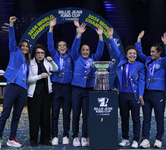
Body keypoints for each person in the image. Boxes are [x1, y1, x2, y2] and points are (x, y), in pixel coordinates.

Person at [108, 28, 145, 148]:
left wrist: (140, 94)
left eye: (134, 53)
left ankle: (136, 139)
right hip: (122, 94)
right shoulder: (122, 60)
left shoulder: (140, 65)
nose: (132, 55)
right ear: (127, 54)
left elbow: (142, 81)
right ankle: (125, 138)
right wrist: (110, 38)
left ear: (136, 55)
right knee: (124, 117)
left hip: (134, 95)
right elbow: (115, 50)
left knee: (136, 118)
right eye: (130, 53)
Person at [135, 31, 166, 148]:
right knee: (146, 118)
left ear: (159, 52)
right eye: (150, 51)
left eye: (153, 52)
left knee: (159, 118)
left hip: (158, 93)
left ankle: (158, 139)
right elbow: (139, 53)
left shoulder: (164, 61)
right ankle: (145, 139)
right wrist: (138, 40)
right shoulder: (147, 60)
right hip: (147, 93)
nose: (150, 53)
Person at [71, 18, 104, 147]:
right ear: (80, 51)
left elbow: (100, 52)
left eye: (87, 50)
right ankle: (75, 136)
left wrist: (100, 36)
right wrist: (79, 34)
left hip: (89, 89)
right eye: (83, 50)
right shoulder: (75, 57)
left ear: (90, 52)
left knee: (86, 115)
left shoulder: (93, 59)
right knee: (75, 114)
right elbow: (74, 47)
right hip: (77, 89)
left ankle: (84, 136)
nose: (85, 52)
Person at [0, 16, 31, 148]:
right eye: (23, 46)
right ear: (19, 46)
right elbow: (12, 39)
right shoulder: (14, 51)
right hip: (12, 86)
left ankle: (11, 138)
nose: (24, 48)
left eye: (26, 46)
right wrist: (11, 24)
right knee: (5, 113)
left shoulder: (28, 62)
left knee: (17, 115)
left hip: (22, 89)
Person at [47, 17, 73, 145]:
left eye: (64, 46)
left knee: (67, 113)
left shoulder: (71, 57)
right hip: (56, 86)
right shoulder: (54, 54)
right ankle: (55, 136)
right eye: (60, 46)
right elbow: (49, 43)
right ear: (57, 48)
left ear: (67, 48)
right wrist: (51, 28)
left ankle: (66, 135)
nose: (62, 47)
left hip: (68, 87)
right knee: (55, 112)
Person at [27, 44, 58, 146]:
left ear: (44, 54)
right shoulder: (30, 63)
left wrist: (51, 61)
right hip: (34, 93)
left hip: (46, 93)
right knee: (34, 117)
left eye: (42, 53)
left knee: (45, 117)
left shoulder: (47, 63)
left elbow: (56, 68)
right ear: (35, 54)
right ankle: (33, 139)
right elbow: (28, 80)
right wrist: (39, 76)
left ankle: (45, 139)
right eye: (38, 52)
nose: (40, 54)